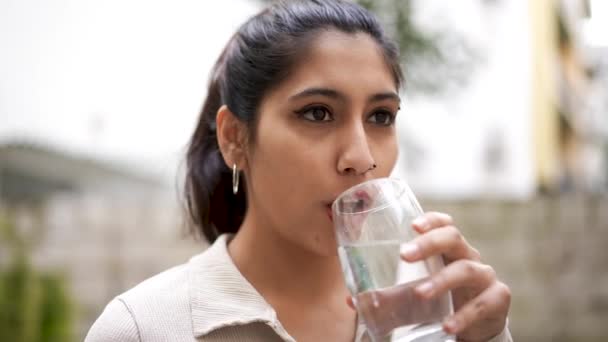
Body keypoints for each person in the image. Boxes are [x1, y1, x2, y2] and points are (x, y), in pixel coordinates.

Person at [85, 0, 512, 341]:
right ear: (234, 137)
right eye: (318, 113)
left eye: (381, 116)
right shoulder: (143, 329)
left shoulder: (430, 316)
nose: (362, 158)